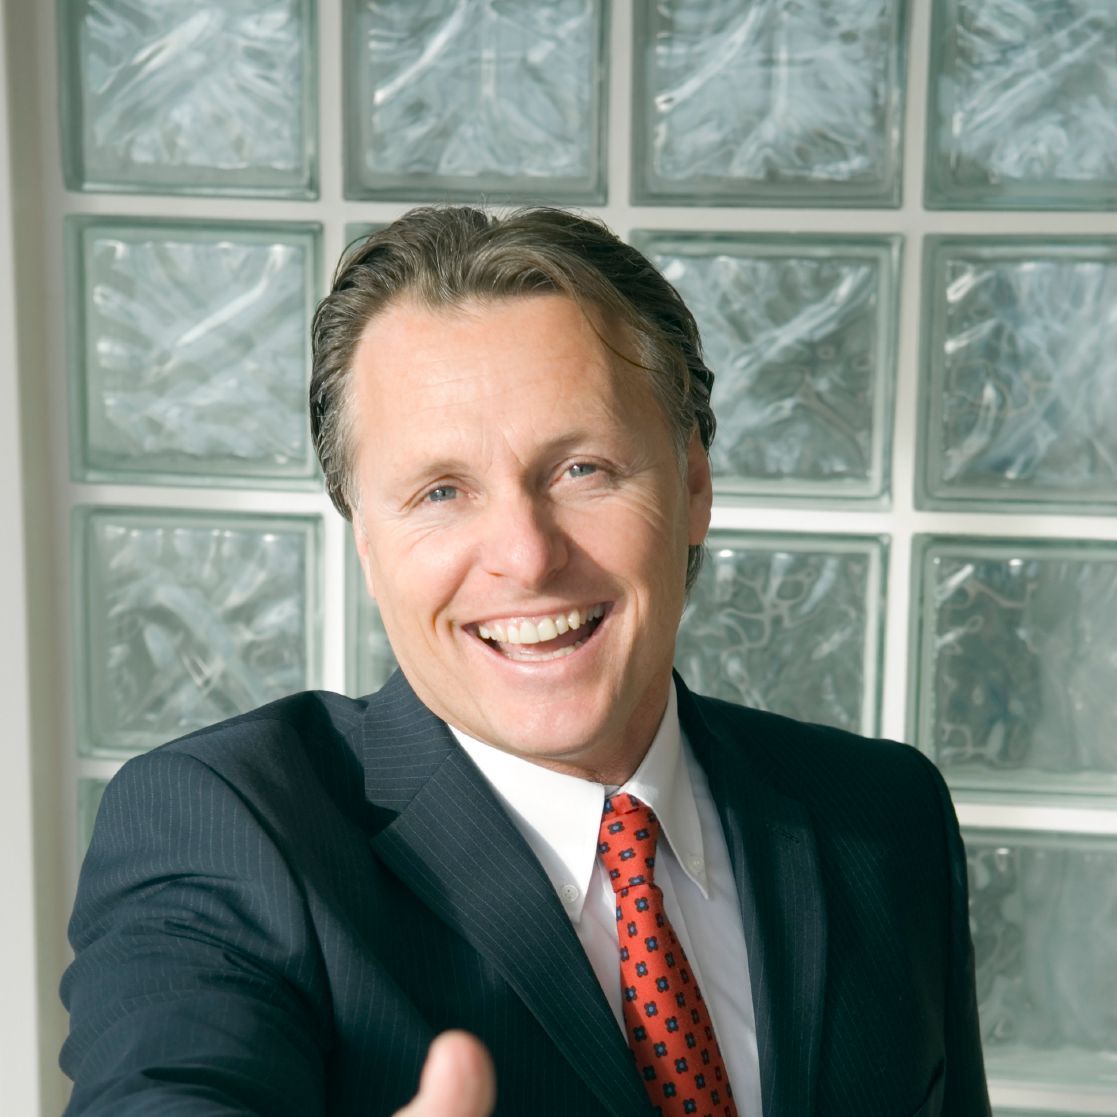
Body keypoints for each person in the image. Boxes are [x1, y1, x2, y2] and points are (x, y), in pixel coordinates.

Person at [61, 206, 992, 1117]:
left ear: (694, 482)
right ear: (367, 541)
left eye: (582, 469)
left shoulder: (884, 815)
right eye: (440, 491)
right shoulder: (226, 829)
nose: (528, 555)